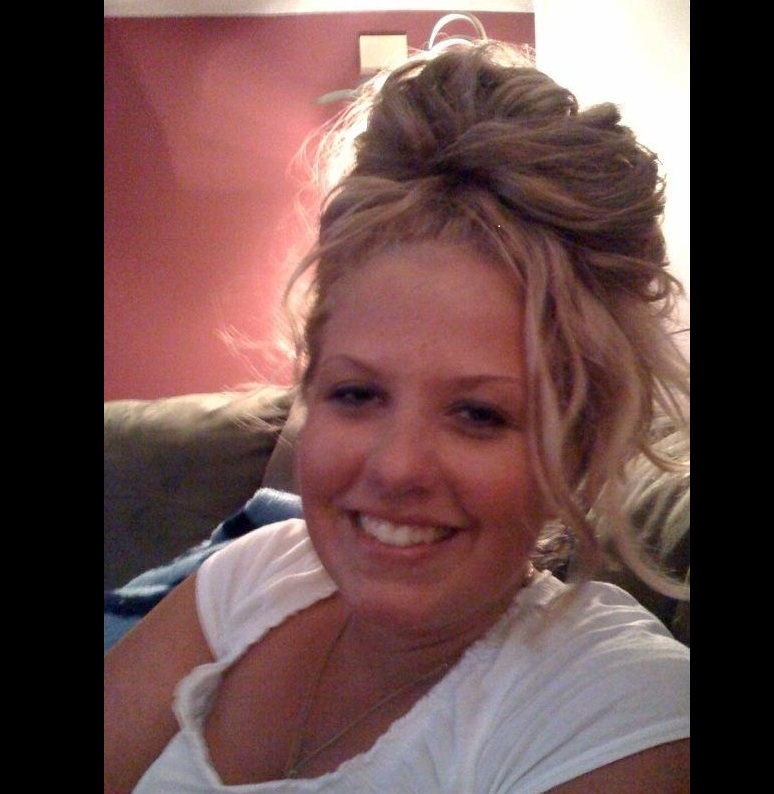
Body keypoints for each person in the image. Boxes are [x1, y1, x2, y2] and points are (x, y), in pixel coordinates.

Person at [104, 41, 690, 793]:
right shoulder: (250, 578)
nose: (394, 466)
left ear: (578, 445)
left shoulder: (615, 712)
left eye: (478, 414)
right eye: (357, 394)